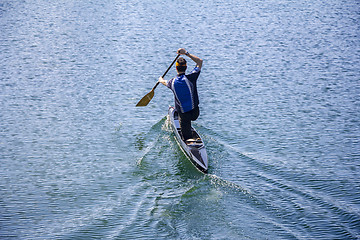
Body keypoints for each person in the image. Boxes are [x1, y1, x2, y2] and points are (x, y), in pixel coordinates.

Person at [159, 48, 203, 142]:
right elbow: (200, 61)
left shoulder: (172, 82)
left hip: (184, 115)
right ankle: (189, 129)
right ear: (186, 67)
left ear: (176, 68)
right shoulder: (191, 77)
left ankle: (187, 137)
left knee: (185, 129)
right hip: (195, 113)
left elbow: (164, 82)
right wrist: (186, 53)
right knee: (189, 114)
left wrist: (160, 79)